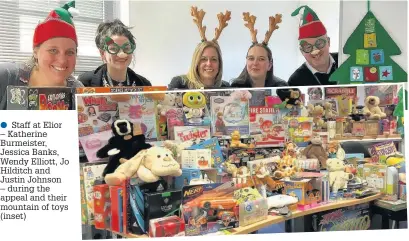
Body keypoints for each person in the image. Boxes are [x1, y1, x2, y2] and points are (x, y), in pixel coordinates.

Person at [0, 1, 83, 110]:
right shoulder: (6, 76)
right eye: (53, 50)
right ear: (35, 52)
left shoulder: (78, 91)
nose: (62, 60)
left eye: (70, 52)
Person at [168, 7, 230, 89]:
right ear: (196, 62)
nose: (209, 63)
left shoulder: (225, 87)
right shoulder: (180, 83)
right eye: (203, 59)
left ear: (219, 64)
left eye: (214, 59)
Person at [78, 19, 151, 87]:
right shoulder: (85, 83)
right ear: (103, 53)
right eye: (113, 48)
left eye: (126, 48)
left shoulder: (144, 84)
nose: (122, 54)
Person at [231, 12, 288, 88]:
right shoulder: (236, 87)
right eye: (251, 58)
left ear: (269, 65)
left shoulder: (280, 87)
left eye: (261, 59)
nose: (255, 63)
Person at [287, 5, 338, 86]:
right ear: (302, 51)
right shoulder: (295, 81)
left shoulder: (344, 60)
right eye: (307, 47)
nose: (315, 51)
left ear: (328, 42)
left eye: (319, 43)